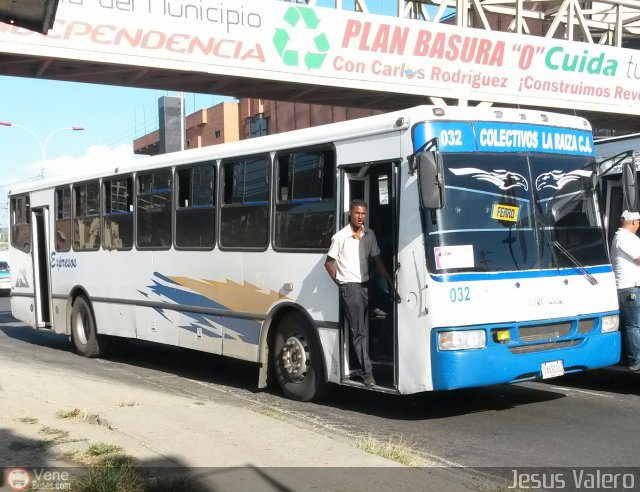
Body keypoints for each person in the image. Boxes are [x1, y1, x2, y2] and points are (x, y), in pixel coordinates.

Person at [324, 199, 398, 387]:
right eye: (357, 213)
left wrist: (391, 284)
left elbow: (378, 262)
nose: (360, 217)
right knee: (359, 332)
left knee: (393, 310)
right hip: (351, 288)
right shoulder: (340, 237)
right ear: (350, 213)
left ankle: (377, 353)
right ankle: (367, 374)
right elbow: (329, 263)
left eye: (363, 214)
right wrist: (341, 283)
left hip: (368, 285)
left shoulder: (369, 234)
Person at [610, 209, 640, 371]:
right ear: (634, 222)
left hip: (629, 287)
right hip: (628, 289)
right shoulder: (625, 238)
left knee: (634, 325)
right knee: (633, 325)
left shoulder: (621, 237)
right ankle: (636, 360)